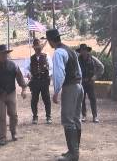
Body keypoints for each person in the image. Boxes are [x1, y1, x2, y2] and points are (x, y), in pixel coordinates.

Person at [45, 29, 84, 161]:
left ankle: (73, 154)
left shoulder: (58, 52)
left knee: (68, 119)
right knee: (76, 118)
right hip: (79, 85)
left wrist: (56, 91)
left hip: (70, 87)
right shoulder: (70, 50)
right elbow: (79, 70)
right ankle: (74, 151)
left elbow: (59, 73)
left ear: (50, 41)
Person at [0, 44, 27, 146]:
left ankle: (13, 132)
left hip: (11, 92)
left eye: (4, 53)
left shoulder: (13, 65)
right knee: (1, 116)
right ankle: (2, 137)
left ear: (7, 54)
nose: (3, 55)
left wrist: (24, 88)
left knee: (13, 114)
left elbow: (20, 77)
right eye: (0, 54)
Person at [24, 38, 53, 124]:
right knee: (34, 100)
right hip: (35, 81)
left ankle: (48, 117)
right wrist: (28, 74)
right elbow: (26, 69)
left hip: (44, 80)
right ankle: (35, 117)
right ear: (34, 48)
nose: (38, 49)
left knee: (46, 99)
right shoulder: (30, 58)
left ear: (41, 47)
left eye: (39, 47)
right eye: (36, 47)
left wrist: (49, 75)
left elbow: (51, 68)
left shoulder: (46, 56)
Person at [76, 44, 104, 123]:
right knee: (82, 99)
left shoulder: (93, 59)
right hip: (81, 82)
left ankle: (95, 116)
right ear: (80, 51)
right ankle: (84, 115)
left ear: (87, 50)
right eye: (82, 50)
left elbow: (101, 67)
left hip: (90, 82)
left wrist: (95, 76)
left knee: (93, 99)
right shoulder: (77, 60)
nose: (83, 51)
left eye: (84, 50)